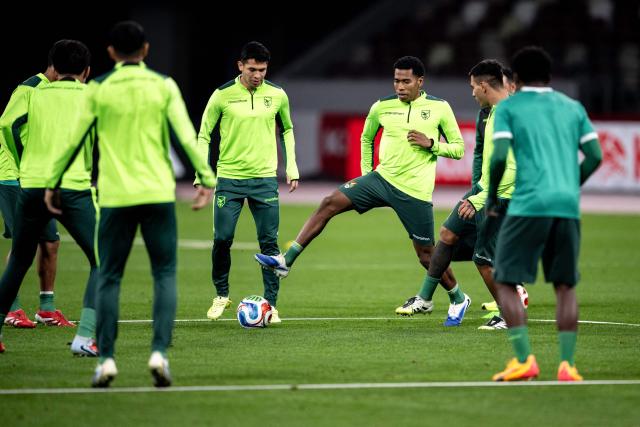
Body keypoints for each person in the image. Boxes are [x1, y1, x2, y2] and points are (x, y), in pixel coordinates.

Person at [44, 21, 216, 387]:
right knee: (165, 274)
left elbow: (74, 140)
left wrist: (53, 182)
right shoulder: (163, 86)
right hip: (156, 193)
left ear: (110, 52)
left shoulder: (99, 89)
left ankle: (106, 359)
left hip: (116, 197)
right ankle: (158, 354)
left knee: (108, 275)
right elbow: (185, 135)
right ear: (146, 49)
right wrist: (207, 178)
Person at [256, 56, 470, 326]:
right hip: (380, 180)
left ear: (420, 81)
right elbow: (366, 137)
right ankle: (287, 260)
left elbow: (459, 148)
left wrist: (431, 144)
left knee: (427, 256)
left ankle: (458, 297)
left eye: (406, 81)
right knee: (329, 202)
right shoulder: (382, 106)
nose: (400, 86)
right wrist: (367, 172)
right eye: (396, 80)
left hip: (414, 191)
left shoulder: (439, 108)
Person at [488, 46, 602, 381]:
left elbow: (498, 158)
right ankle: (568, 365)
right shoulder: (573, 107)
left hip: (527, 205)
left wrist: (493, 197)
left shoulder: (511, 108)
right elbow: (595, 155)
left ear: (516, 79)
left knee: (504, 279)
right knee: (565, 286)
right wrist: (570, 186)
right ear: (550, 77)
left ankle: (524, 358)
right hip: (566, 208)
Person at [0, 40, 99, 356]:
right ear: (86, 71)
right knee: (103, 259)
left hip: (32, 185)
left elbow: (7, 124)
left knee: (19, 257)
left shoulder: (34, 92)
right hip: (73, 188)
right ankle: (85, 338)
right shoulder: (93, 96)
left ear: (53, 68)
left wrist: (24, 160)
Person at [197, 41, 299, 323]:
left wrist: (291, 166)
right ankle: (221, 294)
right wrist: (201, 174)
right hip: (229, 178)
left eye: (262, 70)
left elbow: (287, 129)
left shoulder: (277, 95)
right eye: (252, 69)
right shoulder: (222, 95)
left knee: (269, 244)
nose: (257, 75)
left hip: (265, 179)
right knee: (222, 238)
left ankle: (272, 304)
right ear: (240, 66)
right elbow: (204, 134)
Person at [0, 52, 68, 329]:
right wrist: (23, 160)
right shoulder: (30, 88)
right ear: (54, 67)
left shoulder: (57, 93)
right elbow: (7, 124)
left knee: (50, 241)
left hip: (39, 178)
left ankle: (47, 308)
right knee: (21, 243)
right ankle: (11, 308)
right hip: (14, 175)